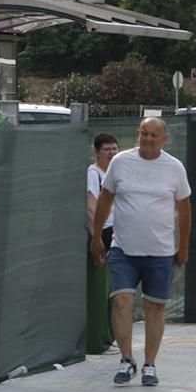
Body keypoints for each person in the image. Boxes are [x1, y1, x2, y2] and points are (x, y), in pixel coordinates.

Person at [91, 117, 192, 387]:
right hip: (123, 248)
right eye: (143, 133)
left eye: (153, 135)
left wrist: (183, 247)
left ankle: (149, 364)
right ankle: (126, 359)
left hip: (160, 251)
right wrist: (97, 236)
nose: (147, 139)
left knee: (154, 308)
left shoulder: (174, 167)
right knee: (121, 302)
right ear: (138, 134)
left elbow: (184, 209)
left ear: (164, 139)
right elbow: (105, 199)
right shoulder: (121, 162)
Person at [85, 133, 119, 354]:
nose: (112, 153)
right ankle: (99, 340)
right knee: (100, 290)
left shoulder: (116, 173)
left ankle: (110, 335)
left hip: (118, 232)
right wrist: (96, 239)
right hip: (102, 233)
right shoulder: (93, 174)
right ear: (97, 151)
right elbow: (91, 208)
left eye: (115, 149)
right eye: (107, 149)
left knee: (114, 290)